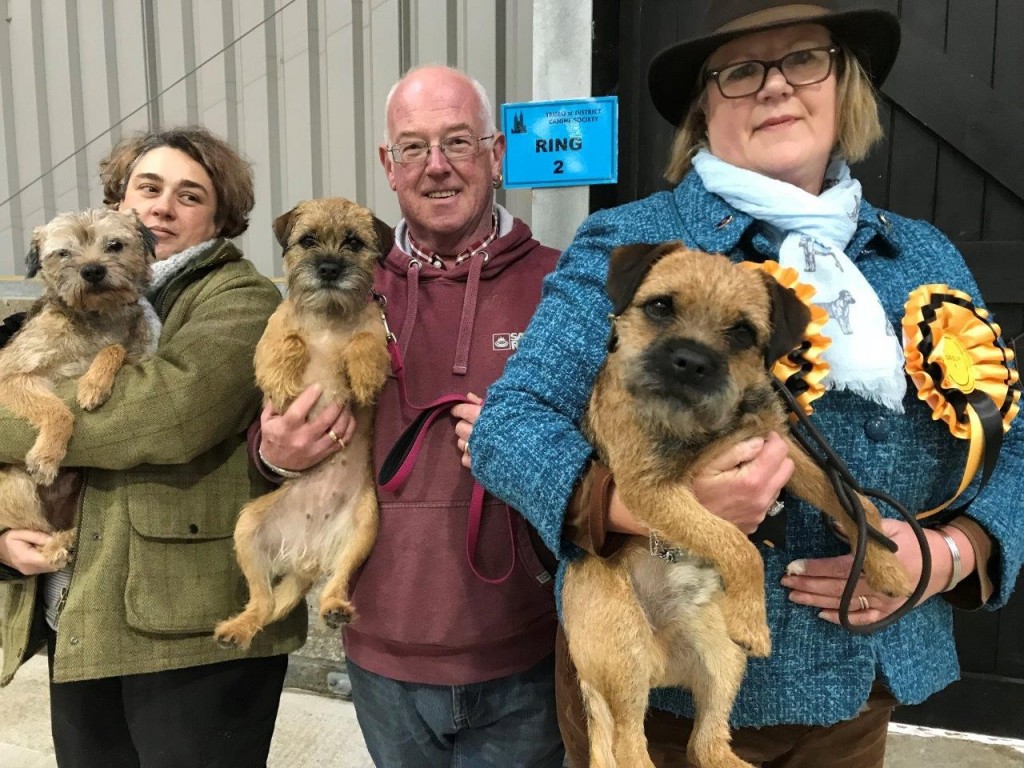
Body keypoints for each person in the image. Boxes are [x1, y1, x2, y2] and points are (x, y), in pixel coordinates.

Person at [469, 2, 1024, 766]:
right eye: (740, 71)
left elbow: (1012, 442)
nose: (775, 86)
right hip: (663, 690)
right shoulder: (628, 238)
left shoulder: (923, 256)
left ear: (844, 86)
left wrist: (955, 551)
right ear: (704, 106)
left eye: (804, 59)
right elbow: (509, 427)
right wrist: (631, 507)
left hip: (860, 690)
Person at [254, 66, 565, 767]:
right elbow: (268, 418)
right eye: (414, 147)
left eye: (458, 141)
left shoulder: (559, 281)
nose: (437, 166)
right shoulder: (342, 280)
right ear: (388, 166)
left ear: (496, 154)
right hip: (381, 647)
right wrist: (274, 452)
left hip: (523, 647)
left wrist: (526, 451)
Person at [0, 126, 305, 767]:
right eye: (148, 188)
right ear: (120, 200)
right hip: (77, 607)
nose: (163, 207)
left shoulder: (241, 299)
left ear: (220, 218)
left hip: (191, 625)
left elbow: (166, 416)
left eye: (190, 196)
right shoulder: (73, 300)